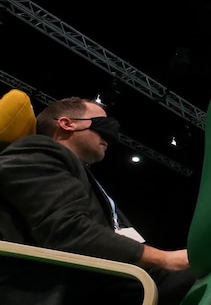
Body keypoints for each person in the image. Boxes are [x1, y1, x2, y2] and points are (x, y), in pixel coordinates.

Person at [0, 96, 196, 304]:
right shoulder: (37, 151)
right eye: (103, 126)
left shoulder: (77, 174)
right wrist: (165, 259)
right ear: (67, 124)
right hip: (78, 286)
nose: (110, 137)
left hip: (118, 277)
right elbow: (68, 230)